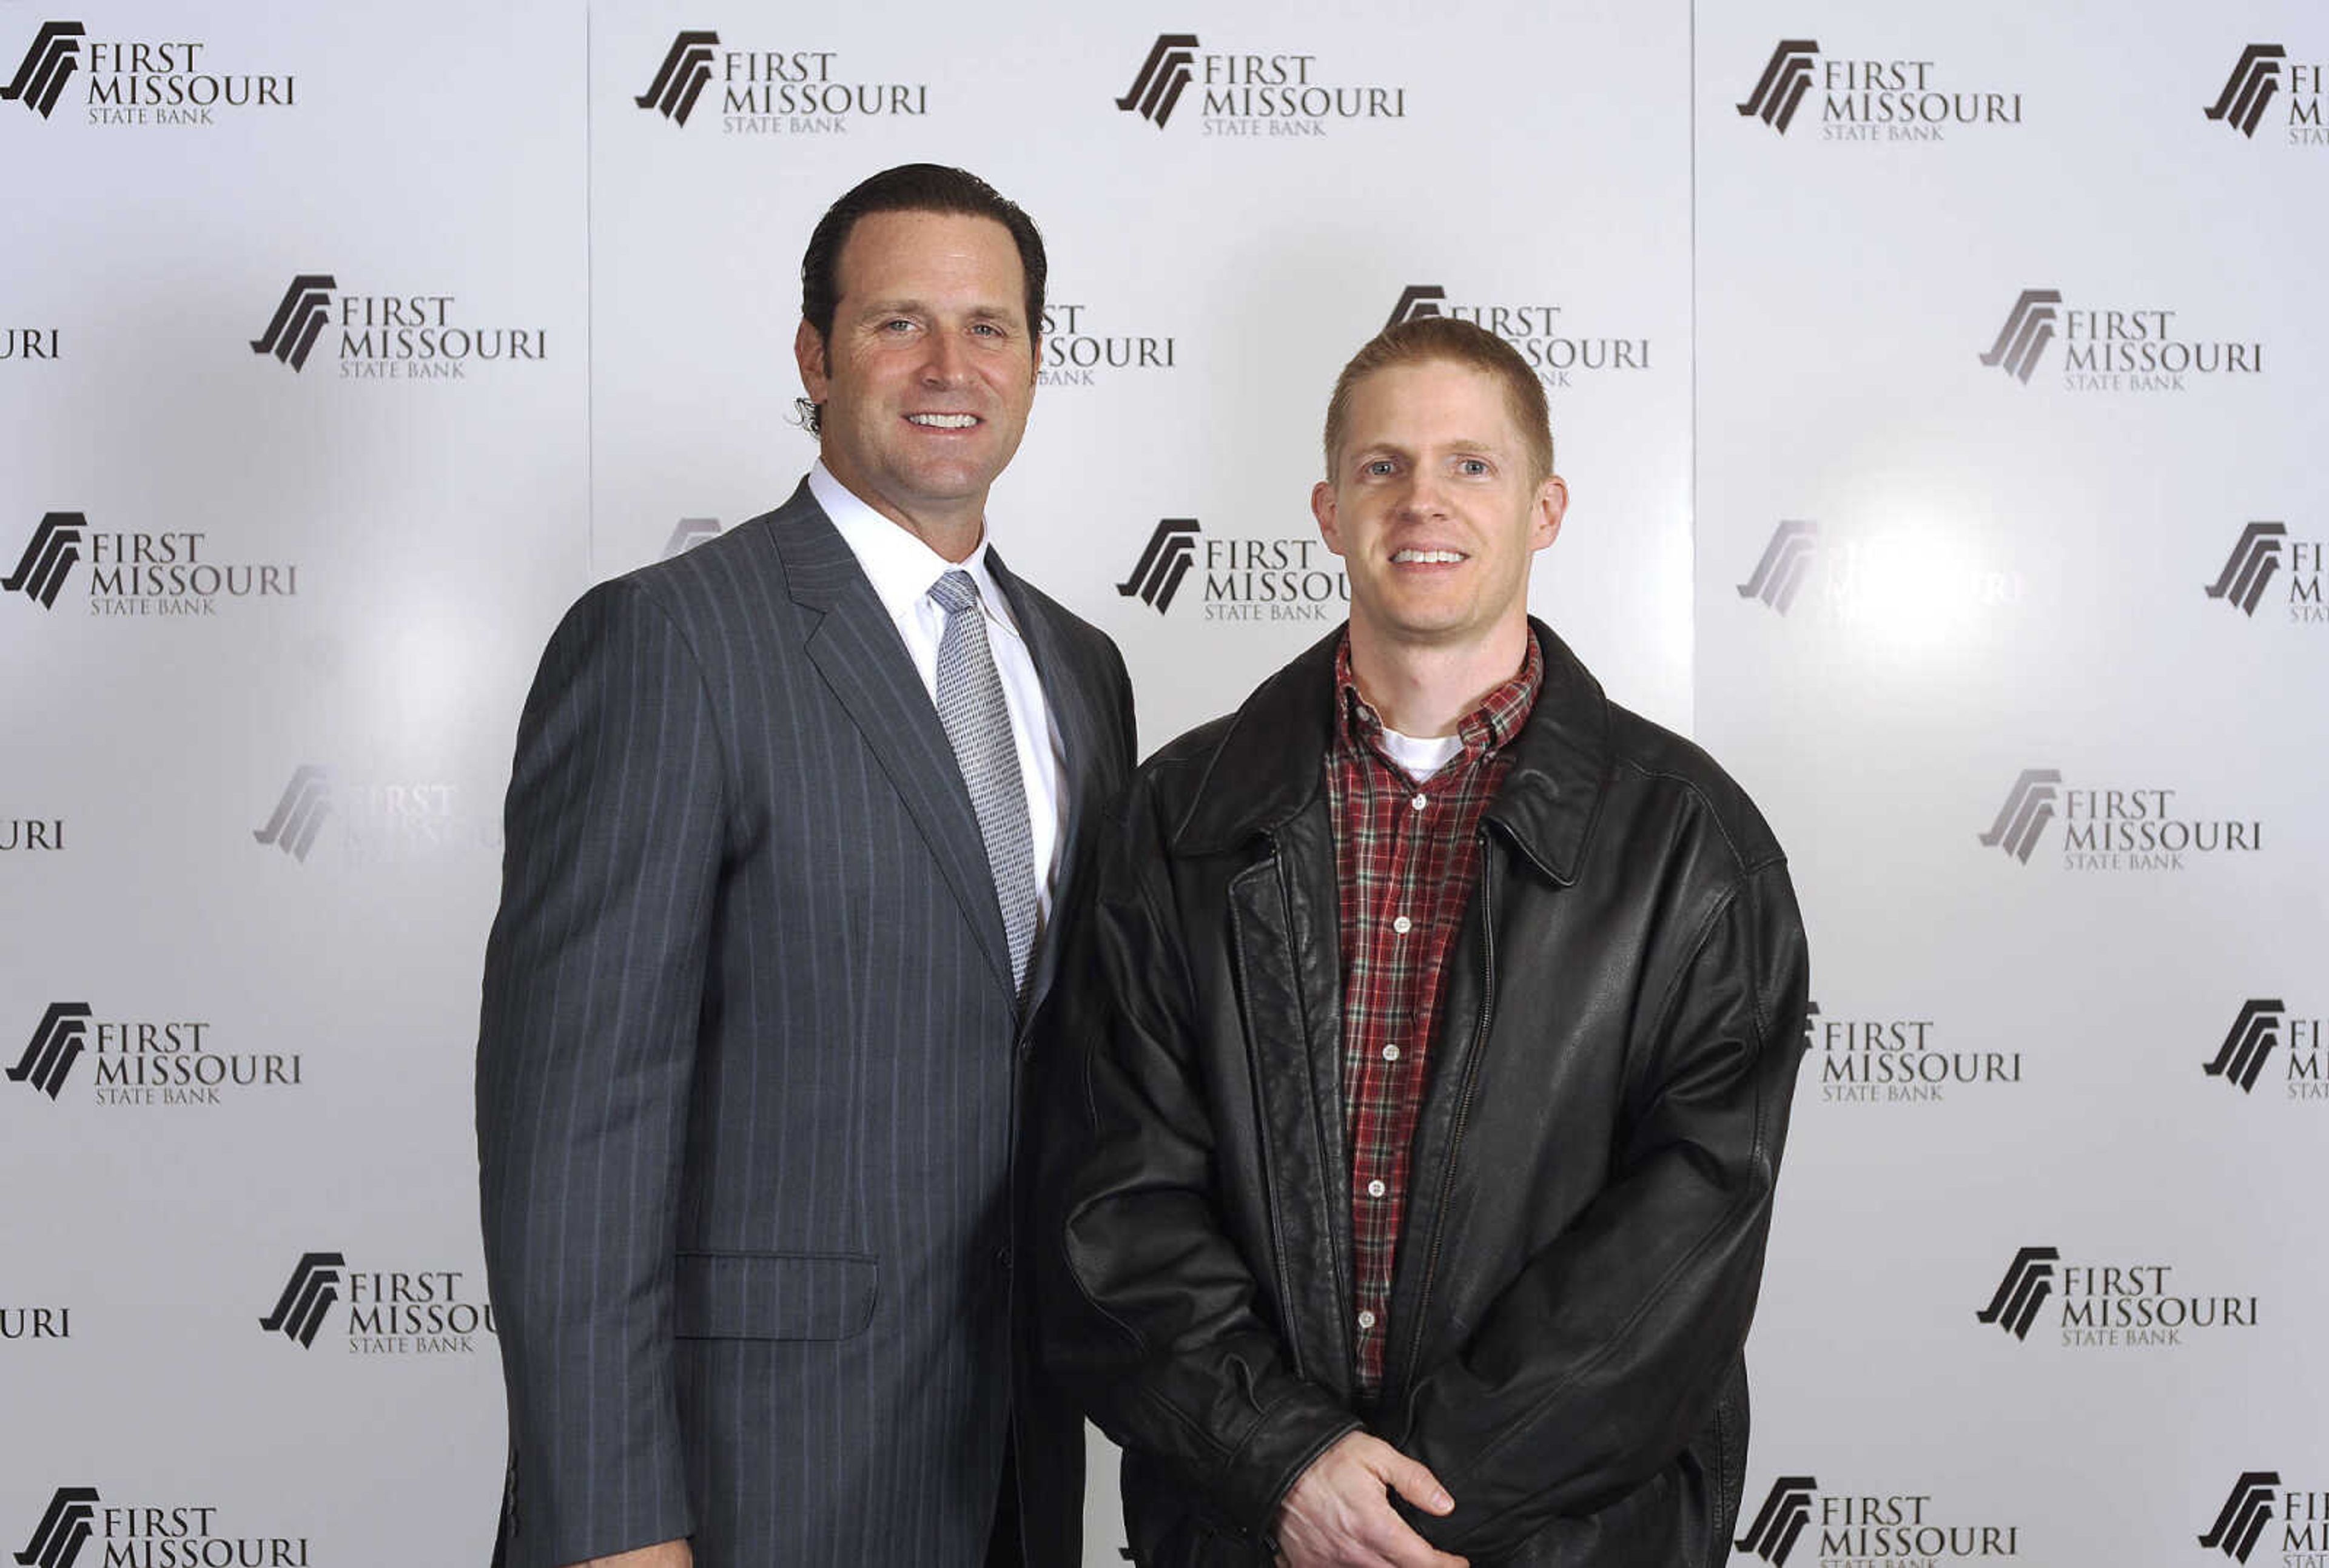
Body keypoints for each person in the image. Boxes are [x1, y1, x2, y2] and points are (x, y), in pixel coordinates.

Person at [1038, 317, 1809, 1567]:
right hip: (1253, 1535)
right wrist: (1285, 1466)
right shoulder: (1180, 821)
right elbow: (1115, 1208)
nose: (1422, 503)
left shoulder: (1692, 844)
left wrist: (1407, 1513)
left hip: (1561, 1543)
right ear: (1328, 507)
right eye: (1384, 467)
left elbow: (1686, 1238)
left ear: (1546, 508)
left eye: (1472, 466)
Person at [477, 163, 1134, 1568]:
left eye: (993, 326)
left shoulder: (1083, 671)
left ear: (1034, 358)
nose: (952, 366)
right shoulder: (670, 644)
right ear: (814, 356)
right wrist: (610, 1528)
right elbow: (574, 1134)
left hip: (1014, 1474)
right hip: (743, 1486)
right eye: (900, 322)